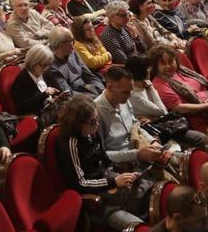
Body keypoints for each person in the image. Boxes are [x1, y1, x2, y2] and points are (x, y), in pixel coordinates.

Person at [57, 95, 145, 231]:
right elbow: (79, 183)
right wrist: (114, 182)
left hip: (106, 178)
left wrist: (123, 174)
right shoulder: (71, 143)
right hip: (93, 195)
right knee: (134, 218)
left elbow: (105, 159)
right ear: (77, 124)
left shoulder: (92, 131)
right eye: (92, 122)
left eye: (97, 119)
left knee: (142, 188)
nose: (97, 125)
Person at [96, 66, 174, 170]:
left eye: (130, 91)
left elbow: (135, 127)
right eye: (125, 92)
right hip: (122, 166)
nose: (129, 96)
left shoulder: (123, 100)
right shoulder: (96, 113)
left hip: (140, 152)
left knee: (177, 158)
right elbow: (100, 156)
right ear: (109, 87)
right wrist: (137, 154)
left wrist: (152, 142)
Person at [149, 45, 208, 133]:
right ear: (156, 67)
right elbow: (179, 108)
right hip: (201, 118)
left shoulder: (182, 70)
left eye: (171, 61)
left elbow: (206, 83)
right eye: (163, 63)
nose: (168, 66)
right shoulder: (159, 84)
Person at [45, 26, 105, 96]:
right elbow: (68, 93)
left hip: (89, 88)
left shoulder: (72, 52)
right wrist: (94, 97)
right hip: (78, 100)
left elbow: (89, 75)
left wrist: (101, 89)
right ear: (61, 44)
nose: (74, 44)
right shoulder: (52, 67)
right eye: (71, 41)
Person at [11, 44, 64, 116]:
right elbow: (23, 106)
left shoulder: (45, 73)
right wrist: (45, 94)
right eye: (43, 65)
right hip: (39, 116)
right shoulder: (22, 80)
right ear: (33, 62)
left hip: (54, 110)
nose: (46, 68)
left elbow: (58, 90)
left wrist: (58, 97)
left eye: (48, 65)